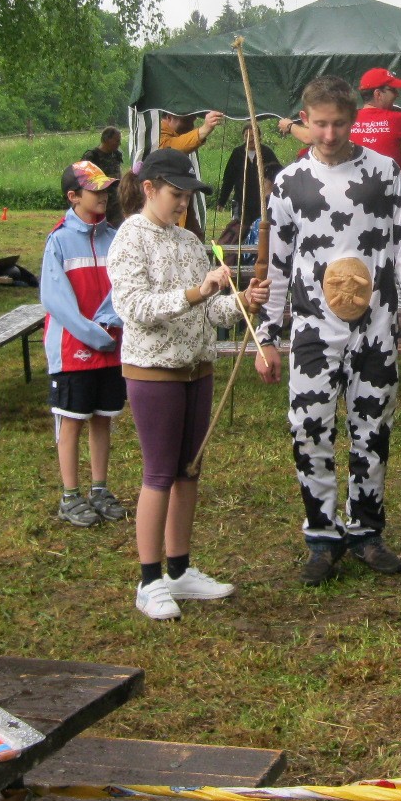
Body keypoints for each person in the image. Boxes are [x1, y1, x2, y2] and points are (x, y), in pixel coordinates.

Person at [254, 75, 401, 585]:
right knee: (308, 428)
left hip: (375, 327)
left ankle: (366, 531)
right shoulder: (289, 183)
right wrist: (267, 336)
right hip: (313, 329)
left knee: (372, 430)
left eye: (338, 124)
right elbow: (277, 268)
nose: (329, 135)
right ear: (304, 121)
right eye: (319, 124)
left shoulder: (384, 174)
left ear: (353, 120)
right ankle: (321, 535)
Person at [107, 148, 270, 620]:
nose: (182, 204)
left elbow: (212, 311)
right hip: (154, 371)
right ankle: (149, 581)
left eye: (188, 197)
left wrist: (242, 300)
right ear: (149, 188)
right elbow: (135, 307)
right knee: (159, 474)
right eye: (175, 194)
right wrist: (199, 291)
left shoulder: (190, 241)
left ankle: (179, 569)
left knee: (188, 471)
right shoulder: (129, 238)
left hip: (197, 368)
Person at [40, 160, 126, 528]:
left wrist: (110, 326)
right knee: (72, 421)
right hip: (72, 352)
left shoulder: (115, 238)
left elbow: (123, 287)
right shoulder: (58, 241)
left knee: (103, 419)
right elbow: (56, 299)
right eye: (95, 189)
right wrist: (93, 333)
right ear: (73, 196)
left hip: (110, 348)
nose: (104, 195)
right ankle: (70, 495)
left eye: (106, 188)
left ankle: (99, 489)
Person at [279, 68, 401, 184]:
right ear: (378, 94)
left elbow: (308, 137)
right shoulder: (396, 120)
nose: (397, 95)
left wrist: (289, 125)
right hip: (389, 201)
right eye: (393, 90)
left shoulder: (348, 120)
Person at [157, 111, 225, 237]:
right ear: (169, 117)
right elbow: (171, 148)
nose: (194, 118)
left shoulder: (181, 137)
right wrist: (205, 129)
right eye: (187, 116)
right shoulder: (157, 137)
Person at [215, 121, 281, 240]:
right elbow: (228, 178)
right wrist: (221, 202)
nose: (250, 139)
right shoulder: (237, 153)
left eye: (253, 136)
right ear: (243, 137)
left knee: (260, 229)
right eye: (247, 136)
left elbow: (278, 174)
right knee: (241, 229)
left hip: (261, 200)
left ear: (259, 137)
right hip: (242, 199)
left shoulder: (266, 152)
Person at [83, 125, 126, 227]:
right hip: (99, 203)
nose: (119, 144)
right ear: (107, 140)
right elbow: (84, 181)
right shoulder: (92, 157)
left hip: (116, 205)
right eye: (117, 140)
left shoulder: (116, 155)